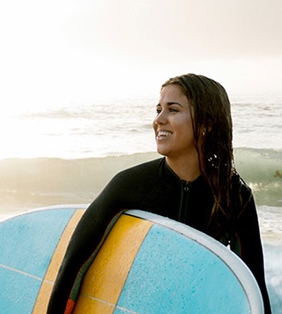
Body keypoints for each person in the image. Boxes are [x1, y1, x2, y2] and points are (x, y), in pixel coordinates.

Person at [47, 73, 271, 313]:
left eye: (173, 110)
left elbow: (252, 288)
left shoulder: (234, 197)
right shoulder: (130, 185)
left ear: (206, 123)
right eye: (158, 110)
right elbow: (73, 266)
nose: (159, 120)